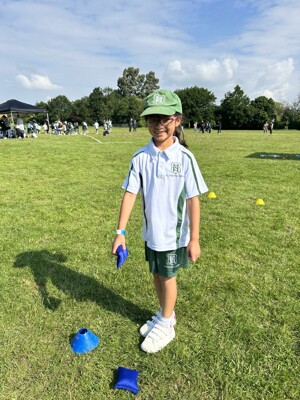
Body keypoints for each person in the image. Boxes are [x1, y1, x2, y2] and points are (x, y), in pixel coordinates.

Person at [111, 89, 208, 353]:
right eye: (152, 119)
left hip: (174, 235)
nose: (158, 125)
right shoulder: (140, 157)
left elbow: (193, 199)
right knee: (156, 274)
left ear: (178, 120)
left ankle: (166, 322)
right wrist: (121, 232)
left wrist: (194, 238)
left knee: (168, 277)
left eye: (165, 118)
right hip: (150, 232)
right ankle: (166, 313)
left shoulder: (185, 158)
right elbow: (131, 193)